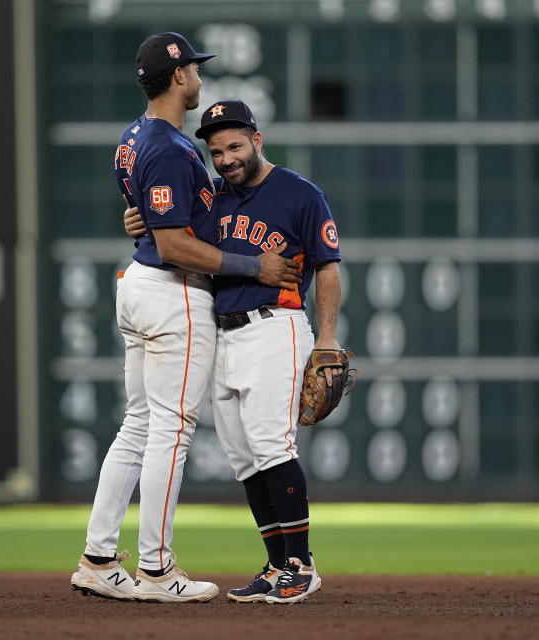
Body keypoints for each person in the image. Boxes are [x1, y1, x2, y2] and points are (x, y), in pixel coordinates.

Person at [70, 34, 301, 604]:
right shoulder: (173, 148)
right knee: (170, 432)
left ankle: (99, 557)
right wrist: (254, 265)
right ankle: (156, 568)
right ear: (178, 78)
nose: (199, 78)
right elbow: (174, 242)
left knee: (139, 427)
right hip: (172, 292)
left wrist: (144, 223)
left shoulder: (132, 137)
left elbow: (149, 215)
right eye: (194, 69)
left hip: (138, 286)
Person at [124, 100, 345, 604]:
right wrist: (138, 220)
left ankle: (300, 564)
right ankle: (275, 564)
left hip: (276, 326)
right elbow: (173, 235)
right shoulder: (210, 199)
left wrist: (329, 338)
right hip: (220, 332)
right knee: (245, 460)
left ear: (257, 139)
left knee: (271, 446)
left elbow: (328, 265)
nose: (225, 158)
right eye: (216, 150)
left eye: (235, 146)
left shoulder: (300, 194)